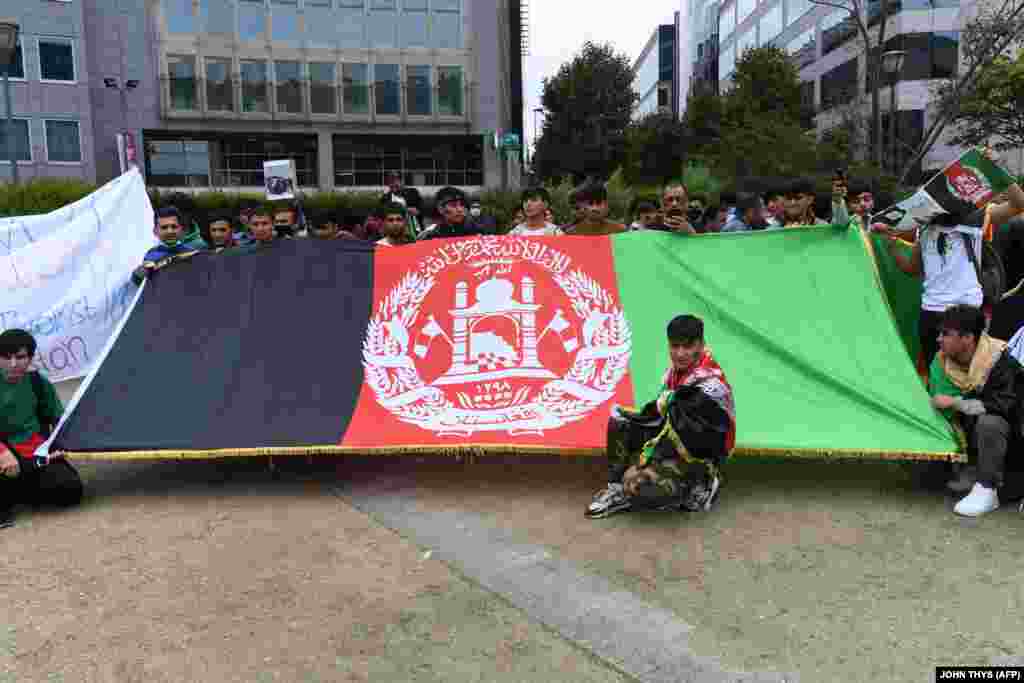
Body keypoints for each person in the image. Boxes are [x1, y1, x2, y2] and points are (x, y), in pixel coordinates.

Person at [586, 314, 735, 519]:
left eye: (687, 346)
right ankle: (617, 489)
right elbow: (660, 414)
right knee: (619, 421)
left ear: (700, 344)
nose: (680, 353)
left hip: (700, 455)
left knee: (641, 486)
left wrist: (643, 464)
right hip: (675, 439)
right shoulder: (676, 372)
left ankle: (702, 484)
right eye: (674, 346)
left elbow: (688, 435)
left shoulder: (708, 385)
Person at [880, 175, 1024, 370]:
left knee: (971, 373)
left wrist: (995, 171)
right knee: (936, 371)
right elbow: (912, 269)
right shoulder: (924, 229)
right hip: (931, 313)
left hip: (967, 312)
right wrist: (892, 246)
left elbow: (1019, 204)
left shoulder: (976, 219)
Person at [927, 305, 1024, 516]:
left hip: (1013, 450)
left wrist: (956, 403)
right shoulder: (942, 363)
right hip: (974, 445)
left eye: (946, 334)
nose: (939, 339)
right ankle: (968, 471)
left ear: (968, 338)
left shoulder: (1001, 362)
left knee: (989, 422)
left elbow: (1005, 406)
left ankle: (987, 488)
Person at [0, 329, 83, 528]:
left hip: (31, 450)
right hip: (3, 452)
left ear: (30, 358)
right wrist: (2, 453)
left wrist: (59, 447)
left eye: (20, 357)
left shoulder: (38, 382)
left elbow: (59, 420)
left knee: (69, 491)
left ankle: (17, 488)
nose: (13, 364)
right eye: (5, 357)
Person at [131, 207, 200, 285]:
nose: (169, 231)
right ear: (155, 231)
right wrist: (137, 277)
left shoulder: (193, 254)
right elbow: (142, 286)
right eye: (164, 227)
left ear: (181, 229)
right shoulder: (150, 254)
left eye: (174, 227)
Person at [775, 177, 849, 229]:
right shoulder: (772, 231)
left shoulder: (821, 227)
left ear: (810, 199)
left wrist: (838, 201)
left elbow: (841, 227)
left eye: (798, 198)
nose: (792, 202)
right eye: (788, 198)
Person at [417, 187, 487, 240]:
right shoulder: (430, 235)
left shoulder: (477, 231)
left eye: (462, 205)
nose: (459, 209)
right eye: (453, 205)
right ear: (440, 209)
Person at [563, 180, 627, 236]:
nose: (594, 208)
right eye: (590, 203)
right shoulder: (572, 233)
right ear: (583, 206)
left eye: (598, 203)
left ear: (606, 205)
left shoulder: (620, 231)